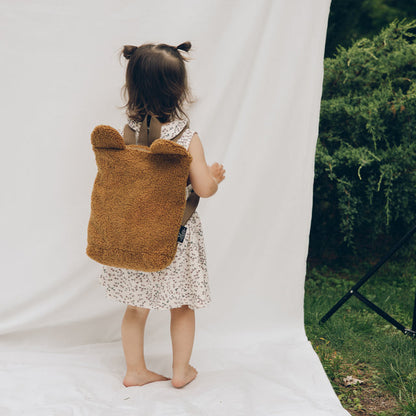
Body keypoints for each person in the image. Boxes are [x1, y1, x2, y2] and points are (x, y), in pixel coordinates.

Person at [97, 41, 225, 389]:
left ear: (133, 86)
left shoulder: (126, 134)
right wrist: (213, 178)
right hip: (174, 239)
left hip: (135, 234)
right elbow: (202, 188)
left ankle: (135, 370)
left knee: (136, 308)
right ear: (179, 89)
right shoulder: (185, 137)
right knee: (181, 305)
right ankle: (181, 371)